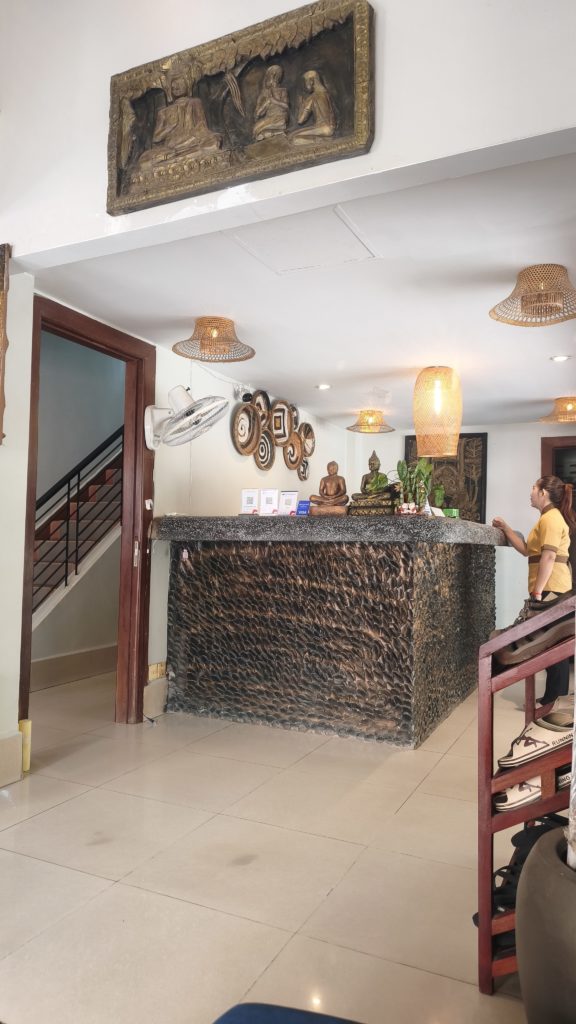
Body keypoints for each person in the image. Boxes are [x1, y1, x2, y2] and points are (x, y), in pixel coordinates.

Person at [492, 475, 575, 704]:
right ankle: (554, 697)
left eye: (533, 488)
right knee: (552, 642)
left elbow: (548, 557)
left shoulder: (551, 519)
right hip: (551, 587)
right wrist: (506, 528)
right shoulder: (547, 518)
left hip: (551, 589)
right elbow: (529, 551)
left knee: (551, 643)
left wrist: (537, 592)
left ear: (543, 493)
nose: (530, 493)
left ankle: (554, 698)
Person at [292, 70, 335, 144]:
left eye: (306, 82)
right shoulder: (326, 94)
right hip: (330, 127)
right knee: (295, 133)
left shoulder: (313, 97)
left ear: (311, 81)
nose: (305, 85)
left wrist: (301, 105)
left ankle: (321, 141)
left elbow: (300, 120)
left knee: (294, 138)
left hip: (322, 128)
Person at [253, 65, 289, 141]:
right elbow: (258, 114)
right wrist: (267, 103)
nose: (273, 79)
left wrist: (274, 101)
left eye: (275, 76)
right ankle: (273, 133)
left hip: (280, 116)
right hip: (269, 117)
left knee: (280, 122)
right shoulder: (264, 93)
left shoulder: (283, 91)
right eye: (271, 76)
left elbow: (286, 106)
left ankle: (273, 132)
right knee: (255, 128)